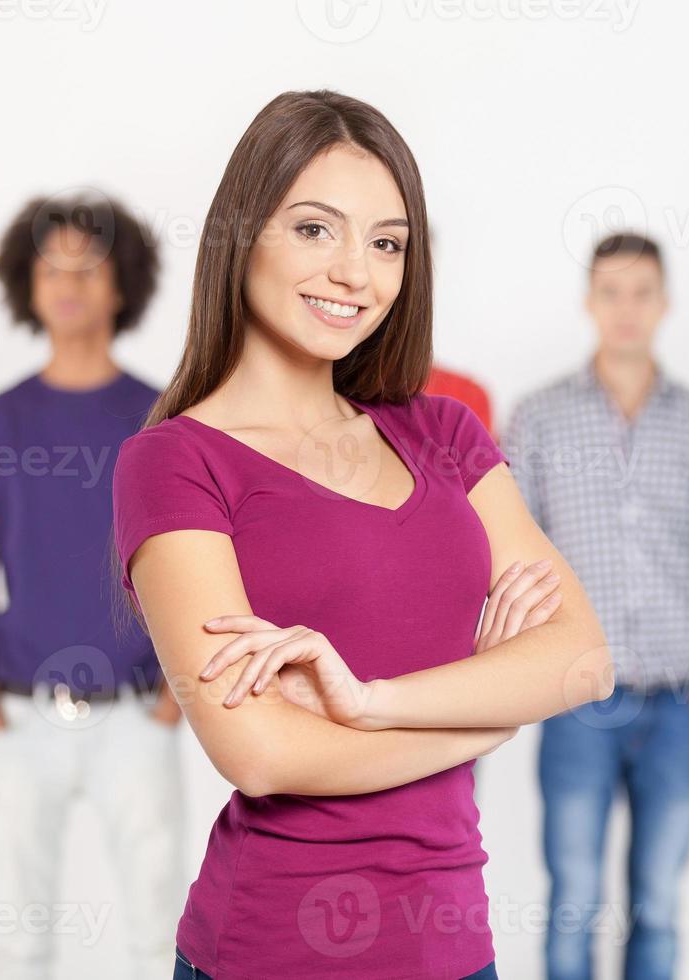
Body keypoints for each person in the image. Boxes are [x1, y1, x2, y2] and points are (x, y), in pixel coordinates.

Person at [109, 89, 612, 980]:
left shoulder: (444, 433)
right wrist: (488, 714)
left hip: (455, 949)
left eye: (387, 243)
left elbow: (580, 663)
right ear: (242, 233)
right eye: (315, 229)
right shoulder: (173, 464)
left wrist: (367, 700)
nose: (355, 272)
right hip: (272, 950)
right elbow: (260, 752)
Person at [0, 192, 182, 979]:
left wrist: (171, 704)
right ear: (27, 284)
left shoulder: (162, 420)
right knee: (17, 939)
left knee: (156, 930)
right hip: (20, 715)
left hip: (133, 716)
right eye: (50, 266)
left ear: (124, 286)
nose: (67, 280)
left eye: (88, 263)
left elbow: (193, 573)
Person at [502, 231, 689, 980]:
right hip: (578, 699)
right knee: (573, 895)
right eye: (611, 292)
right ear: (588, 301)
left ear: (664, 303)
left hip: (680, 698)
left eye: (642, 292)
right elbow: (515, 557)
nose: (626, 309)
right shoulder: (538, 418)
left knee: (659, 900)